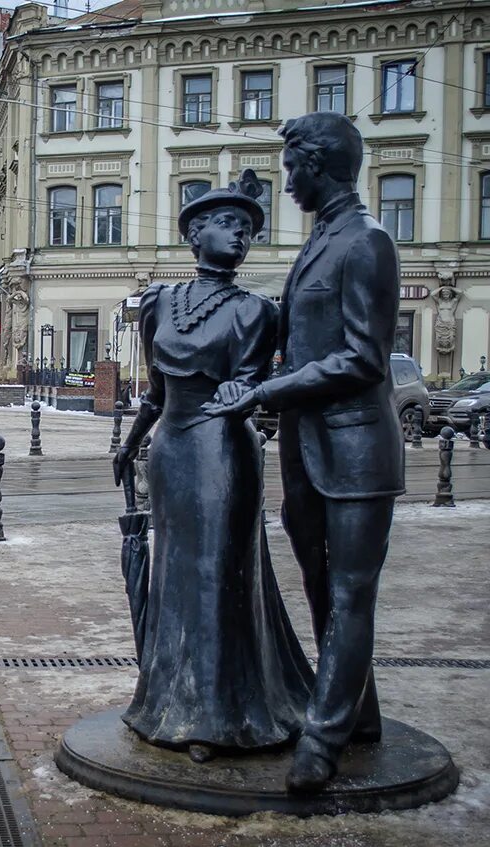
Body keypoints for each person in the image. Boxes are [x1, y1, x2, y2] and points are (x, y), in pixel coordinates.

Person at [204, 114, 404, 792]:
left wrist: (268, 388)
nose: (288, 182)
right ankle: (360, 712)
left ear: (318, 165)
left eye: (293, 168)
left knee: (349, 593)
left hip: (355, 449)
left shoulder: (367, 244)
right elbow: (291, 325)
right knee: (323, 586)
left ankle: (321, 740)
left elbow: (362, 358)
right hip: (308, 448)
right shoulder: (319, 245)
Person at [113, 170, 313, 764]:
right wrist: (131, 442)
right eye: (230, 224)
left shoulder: (256, 311)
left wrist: (248, 392)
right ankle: (170, 702)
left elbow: (249, 382)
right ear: (195, 234)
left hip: (225, 447)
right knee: (176, 573)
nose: (242, 236)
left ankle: (222, 714)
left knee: (219, 574)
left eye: (249, 228)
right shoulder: (160, 303)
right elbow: (155, 390)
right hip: (173, 448)